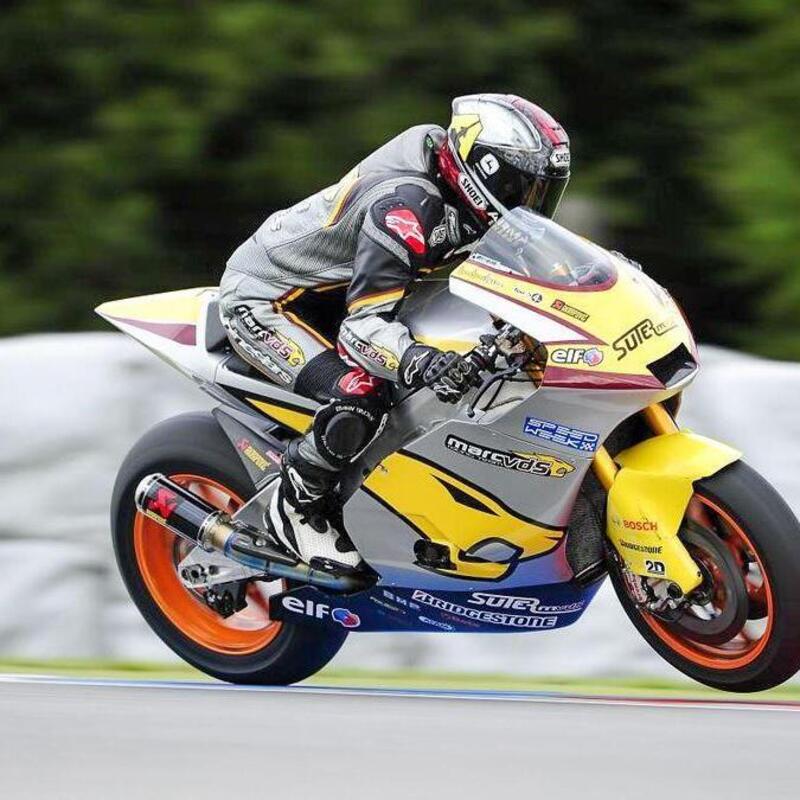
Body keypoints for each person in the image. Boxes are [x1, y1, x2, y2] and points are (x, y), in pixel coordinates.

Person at [218, 93, 571, 570]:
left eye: (544, 193)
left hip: (350, 295)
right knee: (362, 392)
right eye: (523, 189)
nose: (533, 206)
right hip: (272, 301)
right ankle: (296, 504)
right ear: (484, 172)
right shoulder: (404, 209)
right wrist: (421, 360)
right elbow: (362, 331)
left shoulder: (464, 198)